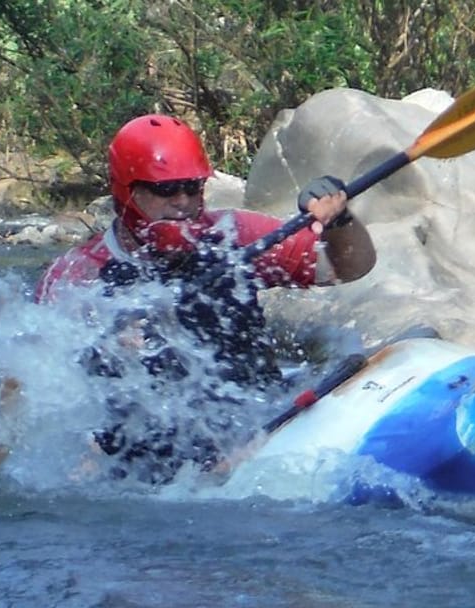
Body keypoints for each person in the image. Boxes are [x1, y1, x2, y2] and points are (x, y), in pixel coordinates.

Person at [34, 114, 376, 483]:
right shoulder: (81, 273)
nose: (183, 201)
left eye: (193, 187)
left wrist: (339, 221)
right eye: (166, 190)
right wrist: (110, 339)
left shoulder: (232, 235)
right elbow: (47, 370)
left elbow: (349, 267)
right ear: (126, 192)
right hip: (145, 445)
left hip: (256, 412)